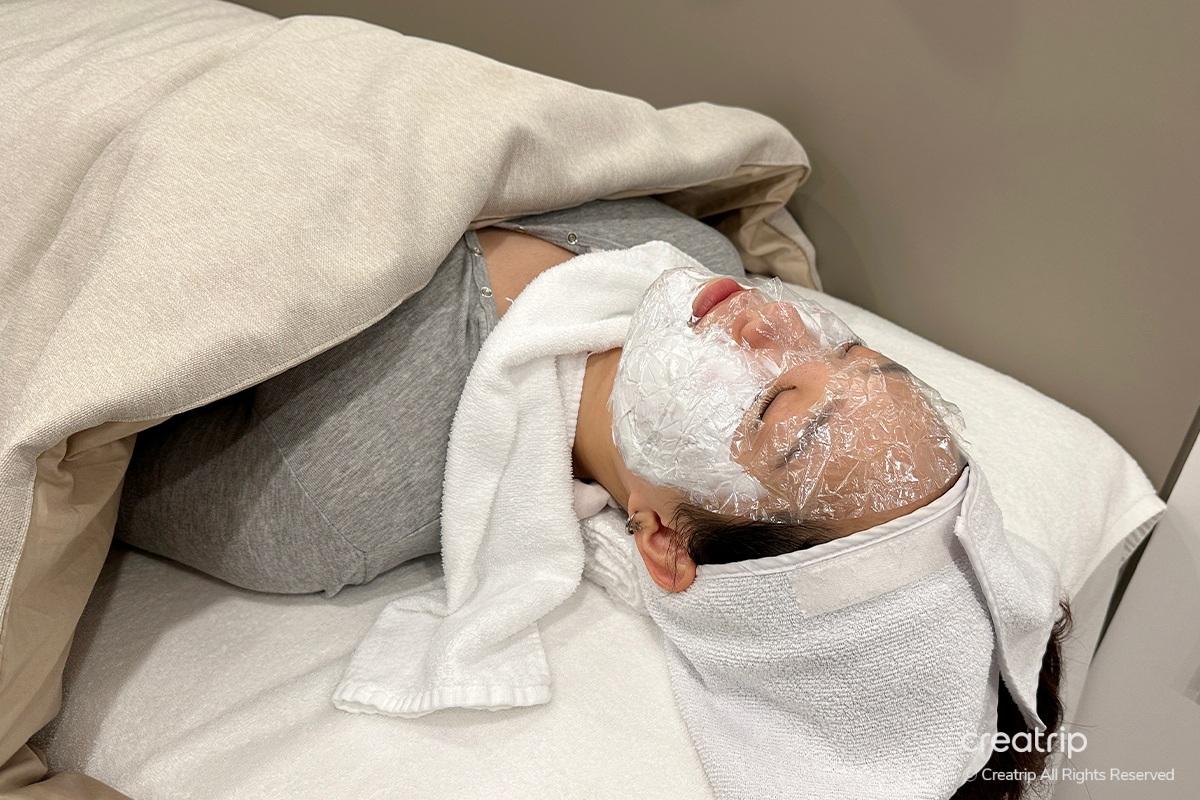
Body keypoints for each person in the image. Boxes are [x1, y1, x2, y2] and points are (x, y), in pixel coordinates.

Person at [69, 198, 1070, 799]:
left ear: (663, 542)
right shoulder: (695, 254)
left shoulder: (313, 503)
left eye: (770, 405)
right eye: (849, 350)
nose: (777, 322)